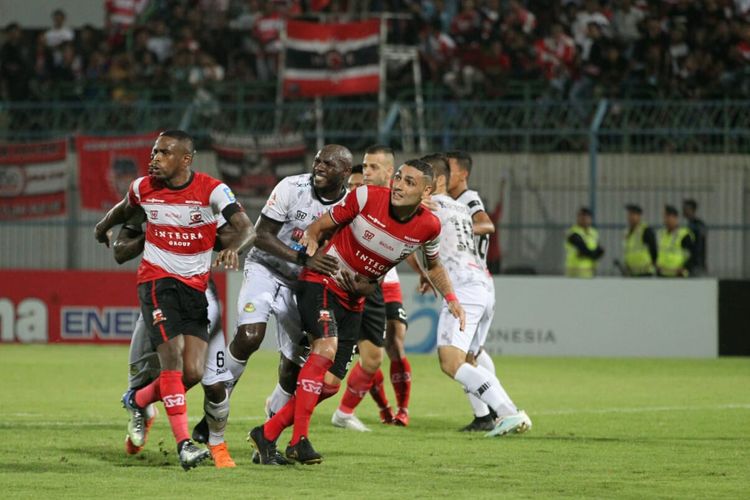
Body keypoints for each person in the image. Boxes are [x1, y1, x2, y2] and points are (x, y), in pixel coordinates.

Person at [249, 159, 466, 465]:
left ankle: (267, 432)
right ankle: (299, 441)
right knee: (325, 348)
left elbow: (434, 265)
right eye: (399, 179)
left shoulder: (429, 227)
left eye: (409, 182)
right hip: (322, 281)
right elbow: (319, 226)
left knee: (331, 385)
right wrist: (310, 242)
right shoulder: (366, 197)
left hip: (356, 299)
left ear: (426, 191)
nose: (399, 186)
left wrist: (452, 298)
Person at [94, 130, 255, 470]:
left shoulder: (212, 190)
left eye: (164, 152)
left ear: (186, 159)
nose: (154, 158)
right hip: (157, 282)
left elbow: (247, 229)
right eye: (154, 151)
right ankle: (184, 445)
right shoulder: (143, 188)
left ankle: (137, 400)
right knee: (172, 359)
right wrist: (99, 229)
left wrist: (231, 250)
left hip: (195, 288)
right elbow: (121, 211)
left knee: (194, 372)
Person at [216, 145, 349, 465]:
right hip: (265, 268)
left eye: (328, 164)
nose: (319, 167)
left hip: (303, 286)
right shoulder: (292, 187)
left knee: (293, 370)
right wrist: (303, 258)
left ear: (345, 172)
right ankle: (214, 413)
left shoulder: (350, 204)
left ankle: (267, 441)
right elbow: (261, 235)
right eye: (317, 161)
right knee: (249, 336)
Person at [111, 213, 238, 468]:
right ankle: (143, 411)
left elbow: (237, 232)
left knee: (205, 381)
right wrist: (107, 226)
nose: (155, 169)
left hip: (198, 296)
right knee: (146, 375)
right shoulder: (147, 198)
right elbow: (121, 251)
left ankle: (215, 444)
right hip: (159, 293)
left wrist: (230, 245)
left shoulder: (205, 199)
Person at [423, 153, 531, 437]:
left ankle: (506, 412)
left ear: (438, 180)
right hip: (479, 282)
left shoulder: (438, 205)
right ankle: (500, 413)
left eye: (420, 179)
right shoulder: (458, 209)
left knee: (451, 362)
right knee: (470, 357)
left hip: (462, 287)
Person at [331, 145, 413, 431]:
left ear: (390, 172)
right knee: (326, 352)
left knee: (384, 350)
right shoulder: (354, 200)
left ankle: (394, 409)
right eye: (363, 168)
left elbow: (412, 241)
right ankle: (286, 402)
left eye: (371, 168)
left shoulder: (402, 203)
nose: (365, 173)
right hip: (342, 281)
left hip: (378, 285)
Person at [444, 150, 503, 430]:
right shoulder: (454, 202)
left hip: (473, 282)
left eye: (449, 170)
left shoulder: (468, 199)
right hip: (478, 280)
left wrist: (460, 228)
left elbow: (486, 224)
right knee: (472, 353)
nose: (444, 175)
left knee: (460, 355)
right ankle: (490, 414)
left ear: (463, 174)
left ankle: (492, 413)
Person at [565, 207, 604, 277]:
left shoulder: (593, 232)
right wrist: (594, 254)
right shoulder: (573, 232)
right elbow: (583, 249)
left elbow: (599, 249)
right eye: (581, 216)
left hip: (590, 269)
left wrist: (594, 253)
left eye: (586, 216)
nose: (584, 219)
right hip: (575, 269)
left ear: (590, 219)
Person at [657, 204, 694, 278]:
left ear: (674, 217)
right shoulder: (662, 234)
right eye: (664, 217)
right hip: (662, 275)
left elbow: (692, 255)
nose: (665, 220)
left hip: (678, 276)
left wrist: (685, 268)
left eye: (667, 217)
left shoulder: (684, 235)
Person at [622, 204, 657, 277]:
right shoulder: (627, 232)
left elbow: (654, 250)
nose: (630, 217)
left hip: (645, 272)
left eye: (633, 215)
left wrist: (653, 264)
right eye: (629, 215)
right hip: (632, 273)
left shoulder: (646, 230)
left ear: (639, 216)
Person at [682, 199, 707, 276]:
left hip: (696, 263)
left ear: (692, 210)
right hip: (689, 262)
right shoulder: (688, 225)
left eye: (685, 208)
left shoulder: (698, 225)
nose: (683, 210)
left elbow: (699, 244)